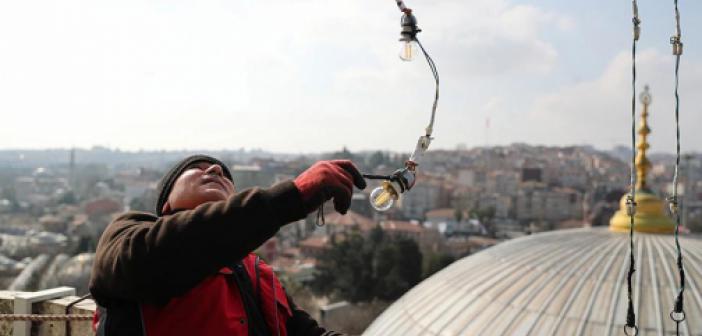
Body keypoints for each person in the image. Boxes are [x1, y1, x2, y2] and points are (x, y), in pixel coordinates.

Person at [89, 155, 367, 336]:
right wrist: (294, 196)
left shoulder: (258, 275)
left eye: (224, 176)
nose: (215, 169)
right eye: (195, 169)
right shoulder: (129, 234)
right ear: (166, 203)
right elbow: (151, 261)